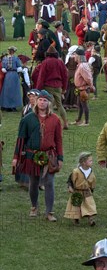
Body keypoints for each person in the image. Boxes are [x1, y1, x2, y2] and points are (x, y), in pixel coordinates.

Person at [12, 90, 64, 221]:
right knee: (34, 183)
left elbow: (58, 140)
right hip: (31, 156)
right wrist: (16, 157)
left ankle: (49, 212)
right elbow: (21, 139)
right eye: (40, 100)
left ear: (49, 103)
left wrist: (60, 157)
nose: (42, 102)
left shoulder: (55, 119)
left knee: (49, 183)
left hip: (50, 156)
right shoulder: (27, 119)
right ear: (37, 101)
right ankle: (34, 207)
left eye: (45, 100)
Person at [64, 152, 97, 226]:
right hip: (77, 191)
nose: (92, 162)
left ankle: (91, 219)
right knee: (76, 206)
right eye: (90, 161)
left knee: (89, 205)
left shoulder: (91, 171)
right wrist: (70, 187)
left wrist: (91, 188)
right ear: (83, 162)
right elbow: (70, 180)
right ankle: (76, 219)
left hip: (87, 192)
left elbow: (93, 180)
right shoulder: (76, 171)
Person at [72, 49, 94, 126]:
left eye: (75, 55)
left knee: (84, 105)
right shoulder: (80, 65)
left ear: (79, 56)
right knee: (80, 105)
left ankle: (86, 121)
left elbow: (88, 78)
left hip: (83, 89)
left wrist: (90, 86)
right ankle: (78, 120)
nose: (74, 56)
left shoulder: (82, 66)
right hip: (80, 89)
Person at [0, 46, 22, 111]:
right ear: (14, 51)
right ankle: (13, 106)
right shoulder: (16, 58)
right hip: (14, 75)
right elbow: (19, 67)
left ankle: (6, 105)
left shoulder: (5, 58)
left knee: (6, 90)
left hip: (7, 75)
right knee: (14, 90)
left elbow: (3, 68)